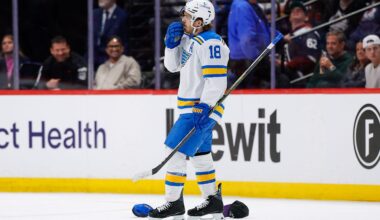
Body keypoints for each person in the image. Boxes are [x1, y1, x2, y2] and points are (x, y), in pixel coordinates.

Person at [148, 0, 229, 219]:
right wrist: (171, 44)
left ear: (199, 21)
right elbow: (172, 67)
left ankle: (173, 203)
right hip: (191, 109)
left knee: (172, 152)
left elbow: (217, 82)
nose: (182, 19)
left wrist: (205, 106)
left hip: (200, 109)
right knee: (201, 155)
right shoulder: (190, 40)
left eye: (186, 16)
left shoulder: (211, 42)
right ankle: (213, 202)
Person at [277, 1, 321, 87]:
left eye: (299, 10)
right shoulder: (285, 36)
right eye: (293, 10)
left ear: (306, 17)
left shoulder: (310, 33)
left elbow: (310, 59)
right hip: (288, 75)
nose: (295, 11)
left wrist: (285, 64)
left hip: (302, 79)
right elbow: (271, 45)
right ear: (289, 18)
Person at [228, 0, 271, 88]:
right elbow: (247, 39)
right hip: (246, 63)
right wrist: (258, 60)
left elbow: (261, 32)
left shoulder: (247, 6)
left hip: (246, 61)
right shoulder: (242, 7)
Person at [94, 0, 128, 68]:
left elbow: (125, 42)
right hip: (94, 59)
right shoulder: (94, 14)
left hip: (113, 61)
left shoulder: (122, 16)